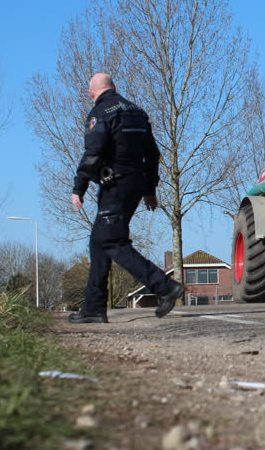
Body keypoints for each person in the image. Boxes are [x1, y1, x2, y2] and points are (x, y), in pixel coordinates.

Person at [68, 73, 184, 323]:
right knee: (98, 242)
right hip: (135, 184)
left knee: (113, 242)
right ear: (114, 86)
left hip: (115, 185)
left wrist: (79, 187)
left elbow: (93, 153)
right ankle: (94, 308)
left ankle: (165, 287)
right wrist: (150, 189)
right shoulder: (137, 112)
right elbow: (152, 153)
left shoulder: (100, 113)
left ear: (91, 92)